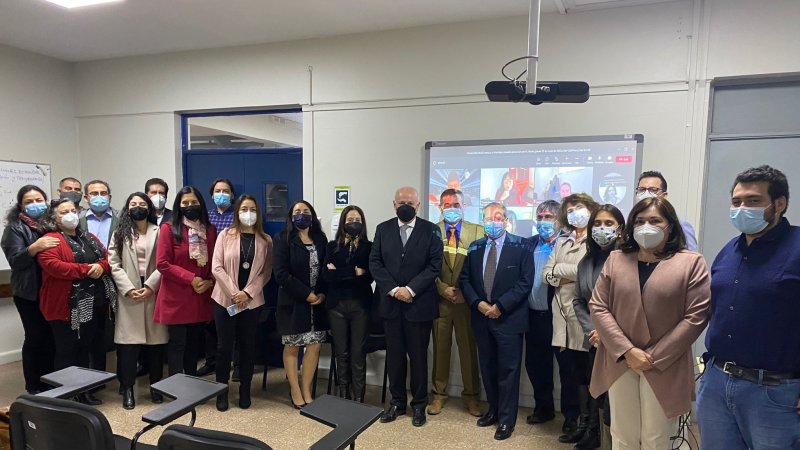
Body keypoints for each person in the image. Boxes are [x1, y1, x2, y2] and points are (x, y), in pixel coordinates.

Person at [589, 197, 710, 449]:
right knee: (623, 434)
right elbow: (598, 306)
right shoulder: (616, 259)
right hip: (620, 359)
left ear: (670, 226)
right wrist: (627, 351)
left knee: (656, 437)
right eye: (640, 221)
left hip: (664, 362)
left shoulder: (691, 262)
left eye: (655, 220)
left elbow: (696, 316)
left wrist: (652, 356)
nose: (647, 226)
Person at [697, 165, 800, 450]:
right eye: (736, 201)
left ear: (779, 204)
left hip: (774, 392)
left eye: (753, 201)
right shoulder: (729, 250)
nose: (742, 208)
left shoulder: (797, 247)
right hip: (717, 382)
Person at [459, 202, 534, 441]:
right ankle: (492, 410)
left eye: (498, 217)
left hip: (509, 319)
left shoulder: (521, 246)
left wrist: (500, 306)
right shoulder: (475, 247)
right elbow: (465, 280)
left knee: (508, 371)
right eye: (488, 218)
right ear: (482, 221)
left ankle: (506, 419)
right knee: (488, 367)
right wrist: (477, 303)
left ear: (506, 220)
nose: (493, 221)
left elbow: (525, 282)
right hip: (481, 318)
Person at [370, 186, 443, 427]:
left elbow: (434, 265)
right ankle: (397, 403)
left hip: (418, 305)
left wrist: (410, 290)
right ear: (393, 204)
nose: (405, 206)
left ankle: (419, 405)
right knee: (395, 357)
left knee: (419, 358)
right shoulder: (383, 229)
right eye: (401, 202)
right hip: (391, 305)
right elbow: (375, 263)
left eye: (410, 203)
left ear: (418, 205)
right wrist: (394, 290)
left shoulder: (431, 230)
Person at [38, 197, 116, 405]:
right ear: (54, 218)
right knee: (66, 351)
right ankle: (64, 395)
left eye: (72, 210)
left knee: (84, 349)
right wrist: (88, 270)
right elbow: (54, 266)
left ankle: (84, 391)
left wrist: (102, 266)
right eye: (63, 212)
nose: (70, 215)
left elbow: (107, 258)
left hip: (93, 304)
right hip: (65, 306)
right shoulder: (51, 239)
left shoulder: (89, 237)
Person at [543, 193, 599, 443]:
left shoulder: (596, 240)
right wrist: (563, 273)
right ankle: (576, 422)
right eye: (571, 209)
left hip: (585, 318)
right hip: (561, 317)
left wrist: (560, 271)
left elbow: (588, 273)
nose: (576, 212)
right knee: (571, 375)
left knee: (590, 377)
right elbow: (546, 274)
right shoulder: (561, 241)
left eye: (581, 208)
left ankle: (592, 429)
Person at [211, 194, 273, 411]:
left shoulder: (266, 240)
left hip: (251, 304)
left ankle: (245, 392)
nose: (249, 213)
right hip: (224, 300)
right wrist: (234, 292)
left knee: (248, 347)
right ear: (237, 212)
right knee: (223, 348)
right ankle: (221, 392)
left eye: (253, 209)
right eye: (244, 209)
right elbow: (216, 267)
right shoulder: (225, 235)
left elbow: (266, 273)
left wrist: (247, 293)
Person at [571, 204, 625, 450]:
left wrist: (606, 333)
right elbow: (579, 300)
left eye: (608, 223)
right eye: (597, 224)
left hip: (620, 341)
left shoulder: (627, 258)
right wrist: (591, 330)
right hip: (593, 338)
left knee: (618, 400)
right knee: (597, 390)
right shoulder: (587, 261)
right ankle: (594, 434)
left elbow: (628, 303)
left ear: (620, 228)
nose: (602, 229)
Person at [108, 192, 167, 410]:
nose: (138, 207)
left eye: (142, 204)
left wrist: (151, 286)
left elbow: (164, 262)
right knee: (128, 347)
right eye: (133, 204)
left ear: (149, 207)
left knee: (156, 346)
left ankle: (156, 388)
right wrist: (129, 288)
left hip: (153, 292)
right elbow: (113, 263)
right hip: (130, 294)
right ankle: (128, 390)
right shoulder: (120, 232)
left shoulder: (159, 231)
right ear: (127, 207)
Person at [429, 189, 482, 417]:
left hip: (465, 302)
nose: (451, 208)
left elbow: (480, 267)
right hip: (440, 301)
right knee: (440, 351)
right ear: (440, 207)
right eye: (446, 204)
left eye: (455, 204)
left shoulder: (478, 231)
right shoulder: (431, 231)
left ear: (463, 206)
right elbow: (424, 265)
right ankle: (438, 396)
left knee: (468, 351)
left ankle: (471, 397)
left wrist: (465, 292)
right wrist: (441, 288)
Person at [154, 186, 217, 376]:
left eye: (194, 202)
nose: (190, 206)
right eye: (185, 203)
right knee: (177, 344)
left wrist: (210, 281)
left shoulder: (210, 230)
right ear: (179, 206)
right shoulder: (169, 228)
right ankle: (176, 387)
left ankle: (190, 384)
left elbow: (216, 260)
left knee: (194, 345)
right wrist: (191, 279)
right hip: (177, 296)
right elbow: (162, 264)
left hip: (200, 295)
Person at [1, 185, 57, 394]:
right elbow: (15, 260)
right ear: (21, 206)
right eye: (29, 202)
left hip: (52, 292)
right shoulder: (15, 228)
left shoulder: (52, 224)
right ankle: (34, 385)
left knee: (52, 338)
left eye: (39, 200)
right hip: (29, 294)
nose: (35, 204)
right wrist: (34, 248)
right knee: (35, 337)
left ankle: (52, 380)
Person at [274, 200, 328, 408]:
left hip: (318, 303)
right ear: (290, 216)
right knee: (293, 346)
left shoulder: (320, 239)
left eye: (306, 211)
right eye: (297, 211)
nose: (302, 215)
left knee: (314, 346)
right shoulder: (283, 239)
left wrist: (321, 293)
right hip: (294, 301)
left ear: (312, 216)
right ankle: (294, 389)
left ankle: (306, 388)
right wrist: (307, 294)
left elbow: (326, 269)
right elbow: (281, 274)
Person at [322, 205, 373, 402]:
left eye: (357, 220)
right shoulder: (331, 246)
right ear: (343, 222)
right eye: (350, 219)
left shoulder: (369, 246)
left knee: (358, 353)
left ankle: (358, 397)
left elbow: (368, 277)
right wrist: (354, 272)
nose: (353, 223)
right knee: (341, 352)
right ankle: (343, 395)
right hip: (337, 307)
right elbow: (327, 276)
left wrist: (340, 271)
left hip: (360, 305)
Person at [523, 200, 561, 426]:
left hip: (557, 316)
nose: (543, 221)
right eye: (540, 217)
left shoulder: (565, 244)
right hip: (533, 315)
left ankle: (573, 417)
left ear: (559, 220)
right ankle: (543, 408)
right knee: (536, 365)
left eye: (548, 217)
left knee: (567, 369)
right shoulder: (528, 244)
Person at [199, 178, 236, 376]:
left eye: (226, 190)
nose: (221, 194)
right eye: (218, 190)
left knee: (236, 318)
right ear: (212, 195)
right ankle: (211, 360)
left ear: (232, 195)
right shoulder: (206, 218)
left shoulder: (238, 217)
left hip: (233, 278)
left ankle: (237, 364)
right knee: (210, 324)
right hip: (209, 278)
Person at [635, 170, 698, 251]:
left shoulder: (680, 225)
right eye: (642, 190)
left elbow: (691, 257)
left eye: (653, 190)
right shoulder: (633, 223)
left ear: (664, 195)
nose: (646, 194)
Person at [79, 179, 119, 249]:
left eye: (103, 193)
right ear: (86, 198)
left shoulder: (120, 218)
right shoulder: (78, 219)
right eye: (94, 194)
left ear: (109, 198)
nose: (99, 197)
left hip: (113, 259)